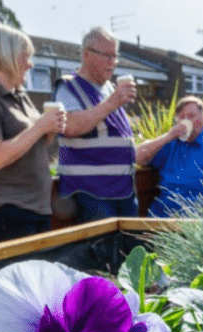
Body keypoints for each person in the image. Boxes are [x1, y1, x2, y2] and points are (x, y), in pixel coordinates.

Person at [0, 23, 66, 242]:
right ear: (6, 57)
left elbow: (30, 145)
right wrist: (39, 126)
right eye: (25, 56)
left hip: (38, 206)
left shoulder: (20, 93)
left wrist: (50, 130)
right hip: (11, 209)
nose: (30, 64)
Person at [54, 26, 137, 222]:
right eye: (106, 55)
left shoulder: (108, 89)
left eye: (115, 56)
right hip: (91, 194)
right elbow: (70, 126)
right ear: (86, 55)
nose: (113, 63)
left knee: (129, 252)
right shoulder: (69, 86)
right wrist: (113, 102)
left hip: (122, 191)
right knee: (102, 252)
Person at [135, 96, 203, 217]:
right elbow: (138, 157)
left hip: (198, 218)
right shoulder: (171, 141)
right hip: (162, 214)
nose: (185, 121)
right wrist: (167, 136)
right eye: (181, 117)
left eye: (191, 116)